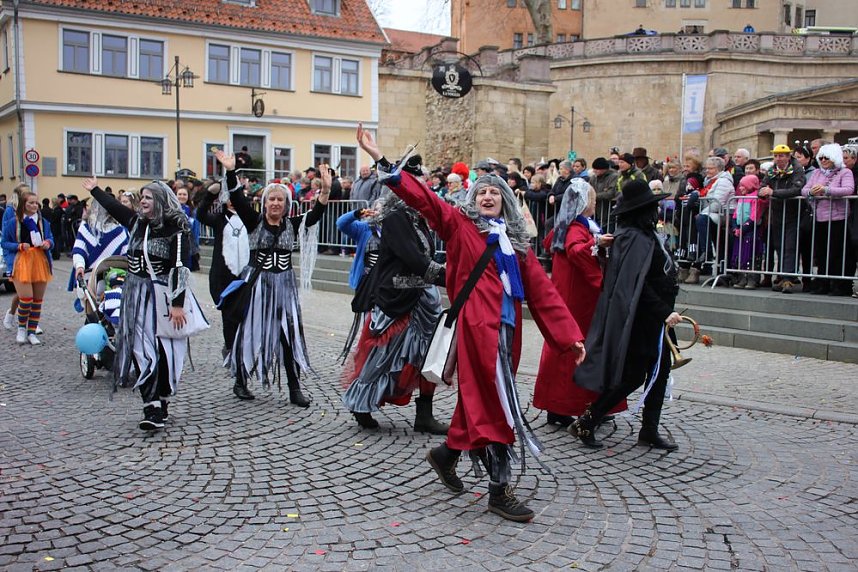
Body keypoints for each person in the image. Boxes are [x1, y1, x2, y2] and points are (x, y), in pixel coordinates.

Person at [356, 124, 585, 523]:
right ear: (472, 200)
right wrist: (382, 161)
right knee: (497, 402)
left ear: (506, 201)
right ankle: (499, 489)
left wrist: (570, 338)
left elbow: (544, 294)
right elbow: (424, 198)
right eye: (481, 192)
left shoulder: (517, 245)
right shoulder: (459, 226)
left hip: (507, 334)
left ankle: (446, 455)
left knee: (481, 399)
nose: (488, 196)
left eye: (495, 192)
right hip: (478, 331)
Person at [570, 179, 682, 451]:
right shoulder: (633, 238)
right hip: (643, 318)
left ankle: (649, 429)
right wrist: (663, 311)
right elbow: (635, 285)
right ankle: (588, 420)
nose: (656, 212)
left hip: (655, 318)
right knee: (633, 375)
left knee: (659, 371)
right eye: (651, 207)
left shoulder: (643, 235)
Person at [217, 150, 329, 408]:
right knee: (250, 332)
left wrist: (325, 189)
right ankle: (240, 380)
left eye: (280, 199)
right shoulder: (253, 221)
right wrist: (231, 171)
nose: (276, 203)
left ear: (286, 204)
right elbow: (237, 198)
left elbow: (317, 213)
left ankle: (294, 388)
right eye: (272, 199)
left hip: (285, 287)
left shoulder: (294, 224)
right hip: (258, 285)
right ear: (265, 203)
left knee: (289, 335)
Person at [82, 176, 191, 431]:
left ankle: (162, 398)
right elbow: (114, 207)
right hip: (134, 296)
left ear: (161, 201)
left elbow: (180, 268)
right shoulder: (136, 224)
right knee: (141, 350)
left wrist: (177, 304)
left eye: (148, 197)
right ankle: (151, 406)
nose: (142, 201)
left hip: (162, 297)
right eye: (142, 197)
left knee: (165, 352)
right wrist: (95, 190)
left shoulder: (176, 231)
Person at [340, 186, 448, 434]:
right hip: (397, 300)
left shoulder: (418, 219)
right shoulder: (395, 218)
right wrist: (449, 277)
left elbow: (425, 256)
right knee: (384, 354)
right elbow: (413, 258)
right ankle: (361, 403)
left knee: (428, 356)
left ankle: (425, 414)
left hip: (425, 300)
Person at [533, 180, 625, 426]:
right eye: (592, 199)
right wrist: (597, 244)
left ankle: (565, 405)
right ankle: (564, 405)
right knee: (574, 352)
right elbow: (576, 252)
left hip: (573, 297)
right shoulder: (576, 227)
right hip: (577, 301)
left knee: (569, 352)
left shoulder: (572, 226)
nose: (594, 203)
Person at [194, 179, 251, 383]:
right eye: (230, 198)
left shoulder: (249, 219)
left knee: (244, 319)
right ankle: (232, 352)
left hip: (245, 278)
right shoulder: (219, 219)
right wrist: (211, 194)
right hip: (224, 278)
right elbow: (200, 215)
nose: (233, 202)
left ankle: (243, 353)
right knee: (229, 318)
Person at [801, 143, 855, 296]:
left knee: (837, 252)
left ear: (835, 158)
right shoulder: (817, 172)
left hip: (838, 218)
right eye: (821, 158)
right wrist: (811, 192)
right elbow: (804, 189)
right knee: (821, 252)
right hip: (820, 218)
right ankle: (823, 283)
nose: (823, 160)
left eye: (827, 157)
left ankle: (838, 285)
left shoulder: (845, 172)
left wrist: (826, 190)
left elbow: (849, 189)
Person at [1, 191, 54, 345]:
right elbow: (4, 242)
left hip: (39, 261)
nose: (34, 205)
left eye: (36, 203)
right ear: (23, 205)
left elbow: (51, 238)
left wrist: (48, 243)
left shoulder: (43, 222)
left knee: (37, 301)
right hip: (21, 261)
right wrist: (18, 246)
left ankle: (31, 332)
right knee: (26, 299)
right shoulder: (14, 222)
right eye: (31, 203)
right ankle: (21, 329)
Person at [335, 203, 382, 360]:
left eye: (383, 209)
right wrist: (357, 213)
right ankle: (365, 351)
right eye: (377, 209)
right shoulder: (364, 228)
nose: (379, 212)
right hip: (366, 280)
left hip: (384, 280)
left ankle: (379, 351)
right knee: (366, 317)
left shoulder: (394, 230)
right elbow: (341, 223)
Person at [759, 144, 806, 294]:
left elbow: (796, 189)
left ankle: (788, 278)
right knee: (779, 245)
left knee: (790, 246)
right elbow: (763, 185)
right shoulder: (772, 170)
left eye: (781, 156)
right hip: (777, 213)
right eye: (776, 156)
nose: (778, 158)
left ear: (788, 156)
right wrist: (762, 192)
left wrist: (773, 192)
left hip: (793, 213)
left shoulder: (797, 169)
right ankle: (781, 276)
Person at [684, 156, 735, 284]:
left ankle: (707, 252)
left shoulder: (723, 181)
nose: (707, 171)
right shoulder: (710, 181)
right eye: (706, 168)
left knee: (701, 219)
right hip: (714, 214)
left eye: (711, 168)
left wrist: (702, 213)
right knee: (701, 220)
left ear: (719, 169)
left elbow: (717, 203)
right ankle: (709, 255)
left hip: (724, 214)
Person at [67, 198, 129, 293]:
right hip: (90, 279)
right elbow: (79, 251)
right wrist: (79, 266)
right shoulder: (86, 228)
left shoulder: (120, 231)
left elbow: (125, 258)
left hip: (115, 280)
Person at [730, 175, 767, 290]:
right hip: (740, 230)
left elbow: (754, 216)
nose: (740, 188)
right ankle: (742, 277)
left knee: (751, 254)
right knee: (740, 255)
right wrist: (735, 227)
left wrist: (743, 229)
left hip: (751, 231)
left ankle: (752, 278)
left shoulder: (756, 198)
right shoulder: (741, 198)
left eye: (743, 186)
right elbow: (735, 214)